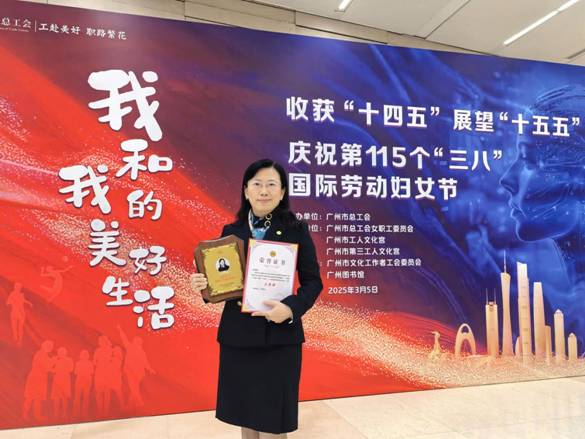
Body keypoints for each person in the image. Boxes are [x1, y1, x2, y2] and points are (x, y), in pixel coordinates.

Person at [190, 159, 323, 438]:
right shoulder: (231, 232)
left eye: (271, 184)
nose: (264, 191)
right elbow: (224, 282)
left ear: (282, 191)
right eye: (257, 184)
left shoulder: (296, 229)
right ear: (246, 190)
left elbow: (313, 282)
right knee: (246, 415)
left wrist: (290, 309)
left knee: (274, 421)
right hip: (238, 337)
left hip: (279, 338)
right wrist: (204, 285)